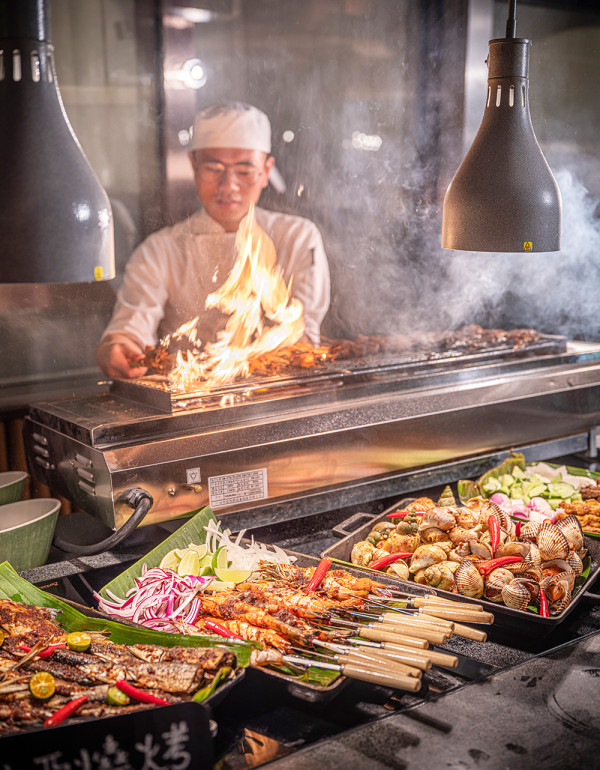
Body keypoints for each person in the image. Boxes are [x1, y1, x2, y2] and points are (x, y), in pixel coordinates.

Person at [96, 102, 331, 379]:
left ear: (266, 171)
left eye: (244, 171)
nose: (228, 185)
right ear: (194, 166)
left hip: (279, 400)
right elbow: (130, 329)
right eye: (213, 168)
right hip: (189, 408)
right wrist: (118, 349)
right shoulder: (160, 251)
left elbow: (302, 335)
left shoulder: (297, 237)